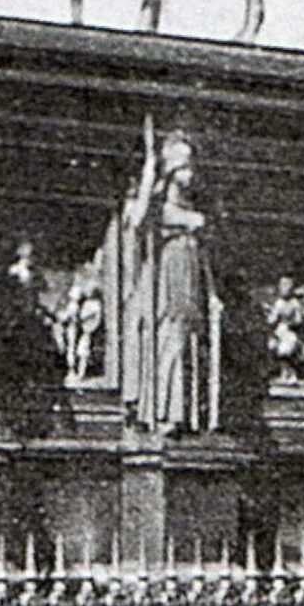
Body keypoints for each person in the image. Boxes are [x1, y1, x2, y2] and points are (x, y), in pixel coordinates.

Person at [105, 119, 220, 434]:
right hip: (167, 276)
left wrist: (212, 293)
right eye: (183, 166)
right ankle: (164, 409)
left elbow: (204, 257)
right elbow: (140, 219)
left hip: (188, 275)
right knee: (172, 336)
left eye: (191, 165)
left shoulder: (192, 210)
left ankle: (180, 410)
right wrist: (149, 171)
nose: (190, 174)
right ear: (170, 170)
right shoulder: (157, 208)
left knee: (185, 337)